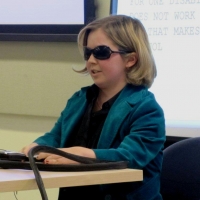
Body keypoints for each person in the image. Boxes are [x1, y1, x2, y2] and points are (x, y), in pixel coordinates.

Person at [21, 15, 165, 200]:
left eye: (101, 52)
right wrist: (35, 147)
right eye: (88, 53)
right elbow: (55, 137)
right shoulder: (79, 99)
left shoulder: (147, 109)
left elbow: (130, 157)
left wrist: (82, 154)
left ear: (131, 59)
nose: (90, 60)